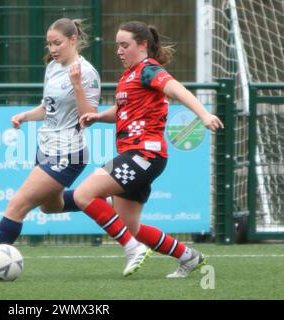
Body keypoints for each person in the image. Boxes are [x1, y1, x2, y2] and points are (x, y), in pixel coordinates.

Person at [0, 18, 148, 280]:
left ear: (73, 40)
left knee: (18, 204)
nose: (52, 48)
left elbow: (89, 117)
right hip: (45, 149)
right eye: (49, 43)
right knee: (50, 207)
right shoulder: (52, 67)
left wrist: (76, 85)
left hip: (68, 153)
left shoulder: (86, 73)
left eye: (57, 43)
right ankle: (99, 200)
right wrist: (26, 116)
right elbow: (47, 108)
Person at [66, 21, 224, 278]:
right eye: (117, 45)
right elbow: (123, 111)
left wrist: (204, 115)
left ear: (142, 45)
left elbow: (176, 88)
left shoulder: (149, 70)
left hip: (143, 155)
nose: (119, 50)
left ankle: (131, 249)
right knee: (131, 227)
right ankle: (188, 256)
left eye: (124, 45)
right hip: (140, 156)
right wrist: (98, 117)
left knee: (84, 195)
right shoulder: (130, 75)